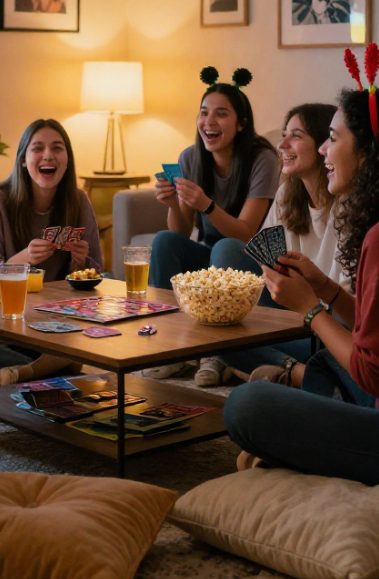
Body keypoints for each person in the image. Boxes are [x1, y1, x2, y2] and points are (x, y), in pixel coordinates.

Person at [224, 45, 379, 485]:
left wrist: (311, 309)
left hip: (372, 397)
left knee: (246, 406)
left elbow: (370, 370)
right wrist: (327, 291)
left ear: (366, 152)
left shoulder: (374, 235)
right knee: (324, 368)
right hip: (362, 381)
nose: (327, 149)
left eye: (333, 138)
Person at [0, 118, 102, 388]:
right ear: (23, 160)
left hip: (51, 322)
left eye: (57, 148)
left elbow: (95, 279)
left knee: (95, 328)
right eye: (38, 148)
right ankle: (50, 368)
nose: (48, 155)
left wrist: (79, 262)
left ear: (67, 160)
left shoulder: (78, 201)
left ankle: (6, 372)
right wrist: (23, 259)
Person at [146, 67, 279, 386]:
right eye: (204, 113)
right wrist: (173, 204)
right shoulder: (190, 158)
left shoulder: (263, 160)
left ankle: (217, 354)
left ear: (241, 123)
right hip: (209, 259)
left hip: (253, 262)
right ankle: (168, 348)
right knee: (164, 240)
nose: (209, 122)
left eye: (221, 114)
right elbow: (180, 233)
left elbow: (247, 231)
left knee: (227, 246)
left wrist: (207, 204)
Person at [217, 103, 351, 386]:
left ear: (324, 144)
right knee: (226, 253)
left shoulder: (350, 207)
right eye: (285, 134)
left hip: (330, 328)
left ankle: (297, 373)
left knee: (227, 344)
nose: (282, 144)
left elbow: (347, 317)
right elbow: (267, 261)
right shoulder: (286, 194)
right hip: (290, 313)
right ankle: (296, 371)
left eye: (296, 135)